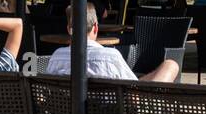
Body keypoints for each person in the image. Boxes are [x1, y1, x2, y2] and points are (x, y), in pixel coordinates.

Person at [46, 6, 179, 81]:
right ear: (96, 28)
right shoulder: (110, 57)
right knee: (170, 65)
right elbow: (133, 88)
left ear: (69, 29)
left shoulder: (56, 57)